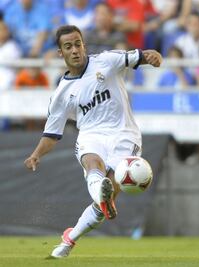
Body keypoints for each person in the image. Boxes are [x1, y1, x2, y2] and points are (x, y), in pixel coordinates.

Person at [23, 25, 162, 258]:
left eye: (78, 44)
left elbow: (138, 56)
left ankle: (70, 238)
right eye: (69, 46)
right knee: (91, 162)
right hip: (91, 134)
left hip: (124, 134)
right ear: (61, 53)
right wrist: (36, 154)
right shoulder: (62, 93)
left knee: (101, 207)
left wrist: (153, 56)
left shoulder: (106, 61)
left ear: (84, 45)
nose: (75, 50)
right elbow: (52, 134)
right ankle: (101, 193)